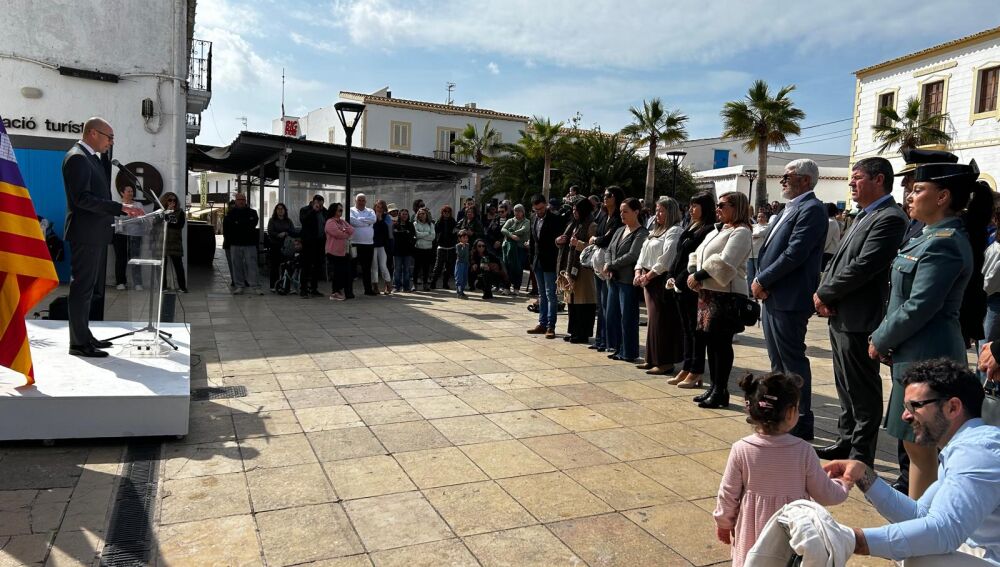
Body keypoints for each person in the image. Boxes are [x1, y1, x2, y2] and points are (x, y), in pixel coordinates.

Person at [868, 159, 990, 499]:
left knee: (921, 451)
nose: (909, 195)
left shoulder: (944, 242)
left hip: (928, 354)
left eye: (919, 189)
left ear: (943, 197)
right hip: (915, 355)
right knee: (916, 448)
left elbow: (920, 305)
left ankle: (920, 537)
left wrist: (880, 338)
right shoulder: (929, 236)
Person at [826, 358, 1000, 566]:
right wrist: (865, 477)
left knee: (919, 558)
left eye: (915, 406)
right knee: (914, 547)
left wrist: (853, 540)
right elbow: (921, 516)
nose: (905, 416)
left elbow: (942, 531)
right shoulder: (966, 446)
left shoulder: (976, 452)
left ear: (952, 407)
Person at [812, 157, 908, 467]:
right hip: (842, 313)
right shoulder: (864, 216)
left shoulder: (889, 217)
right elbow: (839, 262)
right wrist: (824, 292)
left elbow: (864, 266)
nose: (851, 184)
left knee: (862, 391)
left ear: (879, 180)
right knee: (845, 385)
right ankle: (845, 440)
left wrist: (825, 293)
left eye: (857, 178)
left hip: (860, 317)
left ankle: (860, 454)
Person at [715, 372, 851, 567]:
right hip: (792, 529)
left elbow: (728, 494)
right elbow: (826, 494)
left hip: (752, 530)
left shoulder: (741, 449)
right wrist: (842, 484)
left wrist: (724, 523)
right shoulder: (803, 450)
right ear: (789, 413)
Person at [753, 159, 828, 440]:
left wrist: (763, 280)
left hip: (789, 297)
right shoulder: (791, 207)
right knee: (778, 363)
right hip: (774, 296)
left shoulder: (812, 209)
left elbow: (795, 253)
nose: (783, 180)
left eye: (788, 175)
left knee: (792, 363)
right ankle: (781, 415)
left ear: (805, 180)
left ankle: (801, 419)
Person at [62, 117, 142, 357]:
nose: (111, 142)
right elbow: (81, 199)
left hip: (95, 233)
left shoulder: (92, 158)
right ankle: (77, 343)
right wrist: (119, 208)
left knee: (90, 290)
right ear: (93, 134)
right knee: (82, 288)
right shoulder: (77, 158)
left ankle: (85, 335)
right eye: (109, 137)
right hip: (85, 233)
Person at [685, 192, 753, 407]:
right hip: (708, 293)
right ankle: (714, 388)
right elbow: (698, 253)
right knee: (710, 343)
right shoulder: (720, 229)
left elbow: (725, 262)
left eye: (722, 205)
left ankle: (720, 390)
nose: (718, 209)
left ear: (736, 207)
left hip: (726, 295)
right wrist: (693, 271)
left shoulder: (741, 232)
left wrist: (698, 276)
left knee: (721, 344)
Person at [669, 191, 717, 389]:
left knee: (696, 331)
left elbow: (695, 259)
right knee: (687, 329)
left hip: (691, 286)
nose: (691, 209)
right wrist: (671, 276)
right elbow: (680, 254)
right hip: (679, 283)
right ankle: (687, 366)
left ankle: (696, 369)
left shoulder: (707, 229)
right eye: (690, 205)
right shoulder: (691, 225)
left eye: (695, 206)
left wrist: (680, 280)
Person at [634, 197, 684, 374]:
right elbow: (643, 252)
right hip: (648, 279)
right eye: (656, 210)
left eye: (661, 210)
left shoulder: (675, 231)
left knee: (662, 321)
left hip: (660, 279)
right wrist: (638, 271)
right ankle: (651, 358)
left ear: (670, 212)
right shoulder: (655, 230)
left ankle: (664, 361)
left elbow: (667, 258)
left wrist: (649, 275)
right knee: (653, 322)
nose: (657, 214)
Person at [602, 198, 648, 362]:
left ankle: (628, 351)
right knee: (612, 314)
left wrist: (612, 265)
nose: (622, 214)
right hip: (613, 278)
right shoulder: (619, 230)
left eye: (625, 211)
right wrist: (608, 263)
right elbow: (609, 249)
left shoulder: (642, 233)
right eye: (621, 211)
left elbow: (633, 255)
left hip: (627, 280)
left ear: (636, 212)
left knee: (627, 317)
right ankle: (617, 347)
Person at [556, 198, 598, 343]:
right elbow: (567, 243)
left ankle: (583, 333)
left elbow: (594, 247)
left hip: (584, 271)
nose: (574, 212)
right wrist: (559, 241)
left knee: (583, 303)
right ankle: (574, 331)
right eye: (573, 209)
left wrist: (578, 244)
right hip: (571, 269)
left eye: (577, 209)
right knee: (572, 302)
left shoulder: (591, 225)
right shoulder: (573, 225)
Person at [589, 186, 625, 352]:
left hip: (609, 264)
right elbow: (600, 235)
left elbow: (606, 239)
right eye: (604, 195)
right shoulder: (603, 215)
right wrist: (597, 239)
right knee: (600, 304)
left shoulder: (618, 218)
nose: (605, 198)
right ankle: (600, 339)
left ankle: (609, 340)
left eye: (608, 195)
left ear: (616, 197)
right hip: (598, 264)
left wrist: (595, 239)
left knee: (607, 305)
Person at [528, 193, 566, 339]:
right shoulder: (533, 219)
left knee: (551, 295)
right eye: (536, 209)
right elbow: (532, 241)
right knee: (542, 295)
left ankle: (551, 326)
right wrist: (531, 260)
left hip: (550, 262)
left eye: (542, 208)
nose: (539, 212)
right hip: (537, 262)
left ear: (546, 205)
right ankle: (542, 323)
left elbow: (558, 241)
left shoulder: (556, 219)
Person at [223, 193, 264, 295]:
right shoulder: (230, 214)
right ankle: (239, 286)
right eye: (239, 199)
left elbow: (252, 224)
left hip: (249, 244)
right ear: (236, 201)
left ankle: (256, 286)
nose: (241, 201)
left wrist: (238, 224)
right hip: (235, 244)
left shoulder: (253, 212)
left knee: (252, 265)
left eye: (243, 199)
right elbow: (229, 228)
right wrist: (242, 225)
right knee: (237, 265)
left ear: (245, 201)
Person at [113, 184, 144, 291]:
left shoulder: (138, 205)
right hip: (120, 235)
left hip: (135, 235)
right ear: (122, 193)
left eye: (132, 191)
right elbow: (116, 218)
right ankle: (120, 282)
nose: (131, 193)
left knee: (135, 258)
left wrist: (127, 217)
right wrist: (131, 216)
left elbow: (141, 218)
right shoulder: (117, 205)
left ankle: (137, 283)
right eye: (128, 191)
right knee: (120, 258)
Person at [298, 195, 327, 298]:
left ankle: (314, 288)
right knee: (306, 266)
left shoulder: (324, 211)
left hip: (320, 243)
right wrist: (313, 211)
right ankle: (303, 290)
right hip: (308, 244)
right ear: (313, 202)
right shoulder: (305, 210)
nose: (320, 206)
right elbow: (303, 221)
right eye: (318, 204)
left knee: (317, 266)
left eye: (322, 204)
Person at [349, 193, 377, 296]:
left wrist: (359, 220)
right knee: (352, 268)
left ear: (366, 201)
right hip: (354, 244)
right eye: (359, 200)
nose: (361, 202)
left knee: (367, 268)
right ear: (355, 201)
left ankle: (368, 290)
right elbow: (352, 221)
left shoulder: (370, 211)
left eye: (363, 200)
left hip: (368, 244)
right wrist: (366, 223)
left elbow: (374, 220)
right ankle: (349, 291)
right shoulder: (350, 210)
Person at [324, 203, 354, 300]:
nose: (341, 212)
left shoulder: (342, 222)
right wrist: (345, 232)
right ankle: (335, 292)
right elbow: (337, 234)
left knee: (346, 273)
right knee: (337, 273)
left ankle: (344, 292)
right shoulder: (330, 222)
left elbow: (352, 230)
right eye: (339, 210)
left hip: (343, 252)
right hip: (333, 252)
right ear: (334, 211)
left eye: (341, 210)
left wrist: (344, 230)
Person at [501, 204, 530, 297]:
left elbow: (524, 230)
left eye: (519, 211)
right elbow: (503, 229)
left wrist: (510, 233)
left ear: (523, 212)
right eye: (515, 211)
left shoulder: (526, 222)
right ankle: (506, 287)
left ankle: (517, 288)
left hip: (520, 249)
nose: (517, 213)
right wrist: (512, 235)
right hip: (508, 248)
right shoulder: (510, 220)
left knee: (518, 268)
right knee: (507, 267)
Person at [162, 192, 187, 293]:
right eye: (170, 200)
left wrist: (168, 219)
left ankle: (182, 287)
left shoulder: (180, 212)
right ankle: (163, 287)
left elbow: (179, 225)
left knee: (178, 265)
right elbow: (157, 223)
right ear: (165, 201)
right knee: (163, 265)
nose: (172, 202)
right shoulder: (161, 211)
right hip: (163, 241)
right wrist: (167, 212)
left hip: (175, 241)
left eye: (174, 200)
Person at [266, 202, 294, 291]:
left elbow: (292, 231)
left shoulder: (288, 221)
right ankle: (273, 286)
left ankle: (285, 285)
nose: (280, 210)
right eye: (278, 209)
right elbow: (270, 231)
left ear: (285, 211)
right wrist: (278, 235)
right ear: (276, 211)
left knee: (287, 266)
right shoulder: (272, 220)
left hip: (286, 246)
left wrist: (286, 233)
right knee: (274, 266)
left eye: (282, 209)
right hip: (275, 245)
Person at [431, 205, 457, 289]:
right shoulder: (439, 221)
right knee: (438, 266)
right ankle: (433, 282)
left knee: (448, 268)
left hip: (451, 247)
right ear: (442, 212)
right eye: (445, 212)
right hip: (441, 247)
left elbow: (455, 232)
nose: (446, 213)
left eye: (448, 212)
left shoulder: (453, 221)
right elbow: (436, 232)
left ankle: (445, 283)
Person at [392, 208, 416, 292]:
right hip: (397, 251)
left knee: (407, 270)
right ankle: (396, 286)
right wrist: (405, 234)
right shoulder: (395, 224)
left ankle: (406, 287)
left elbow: (412, 236)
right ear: (399, 215)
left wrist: (403, 235)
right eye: (403, 214)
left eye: (406, 214)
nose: (404, 216)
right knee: (397, 269)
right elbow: (395, 237)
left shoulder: (410, 225)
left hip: (408, 251)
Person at [413, 207, 436, 291]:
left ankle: (425, 284)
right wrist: (427, 233)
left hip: (428, 249)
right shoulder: (415, 224)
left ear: (426, 215)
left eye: (423, 213)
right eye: (420, 214)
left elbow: (433, 237)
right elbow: (416, 235)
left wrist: (422, 235)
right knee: (417, 268)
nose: (421, 215)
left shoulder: (431, 224)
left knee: (426, 268)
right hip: (418, 248)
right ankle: (414, 285)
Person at [746, 211, 769, 288]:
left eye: (762, 217)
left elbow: (759, 233)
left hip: (759, 253)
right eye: (759, 217)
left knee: (757, 273)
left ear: (766, 218)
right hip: (750, 253)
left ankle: (757, 289)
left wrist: (753, 235)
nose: (760, 218)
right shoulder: (753, 226)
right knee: (749, 274)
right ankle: (749, 290)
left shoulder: (768, 226)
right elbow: (748, 233)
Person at [822, 203, 842, 271]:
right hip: (828, 252)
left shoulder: (830, 222)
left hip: (827, 253)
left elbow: (826, 240)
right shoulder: (832, 221)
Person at [454, 229, 470, 299]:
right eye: (464, 238)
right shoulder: (458, 246)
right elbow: (460, 254)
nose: (465, 239)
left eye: (466, 238)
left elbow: (467, 255)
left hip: (466, 263)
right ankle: (459, 292)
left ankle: (462, 291)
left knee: (464, 278)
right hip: (460, 263)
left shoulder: (467, 245)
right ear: (459, 238)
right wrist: (462, 247)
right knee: (459, 278)